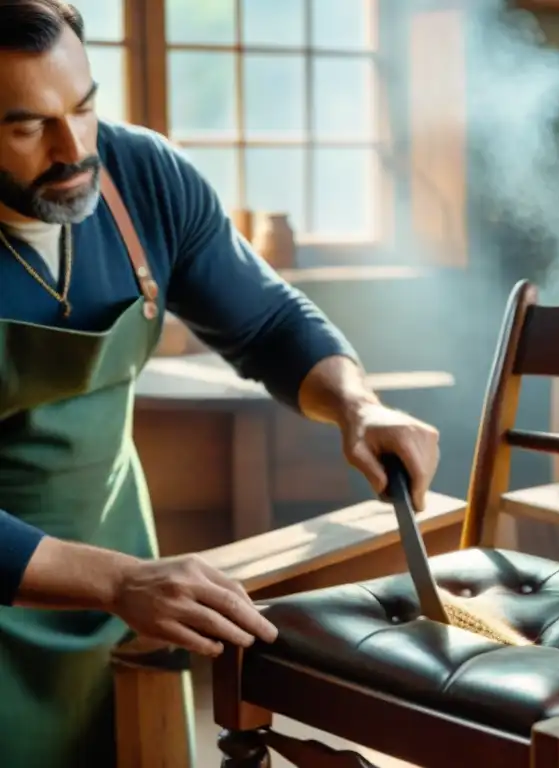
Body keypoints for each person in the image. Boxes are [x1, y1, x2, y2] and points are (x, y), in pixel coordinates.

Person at [0, 1, 442, 763]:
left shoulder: (143, 175)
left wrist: (357, 406)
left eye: (85, 106)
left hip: (129, 578)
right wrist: (112, 580)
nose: (75, 147)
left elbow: (267, 324)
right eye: (26, 126)